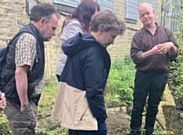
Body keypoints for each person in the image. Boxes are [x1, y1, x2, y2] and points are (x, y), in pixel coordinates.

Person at [52, 10, 126, 135]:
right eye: (112, 36)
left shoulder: (80, 45)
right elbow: (94, 90)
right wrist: (101, 117)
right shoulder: (93, 53)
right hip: (86, 116)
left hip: (74, 113)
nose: (113, 42)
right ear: (101, 30)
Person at [2, 3, 59, 135]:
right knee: (24, 129)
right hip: (17, 101)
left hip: (20, 99)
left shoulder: (33, 37)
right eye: (53, 28)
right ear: (42, 22)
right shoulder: (28, 38)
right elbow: (20, 73)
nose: (54, 33)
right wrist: (24, 103)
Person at [129, 2, 179, 135]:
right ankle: (135, 131)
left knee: (153, 106)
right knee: (138, 105)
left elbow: (175, 54)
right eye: (142, 15)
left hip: (160, 76)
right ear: (140, 18)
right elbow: (135, 57)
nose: (146, 17)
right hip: (143, 75)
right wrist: (151, 52)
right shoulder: (138, 36)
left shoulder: (166, 33)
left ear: (154, 13)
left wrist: (170, 46)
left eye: (148, 13)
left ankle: (149, 131)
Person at [56, 0, 100, 82]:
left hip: (77, 71)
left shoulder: (85, 27)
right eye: (94, 14)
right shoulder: (74, 25)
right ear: (87, 13)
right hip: (67, 71)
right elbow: (78, 46)